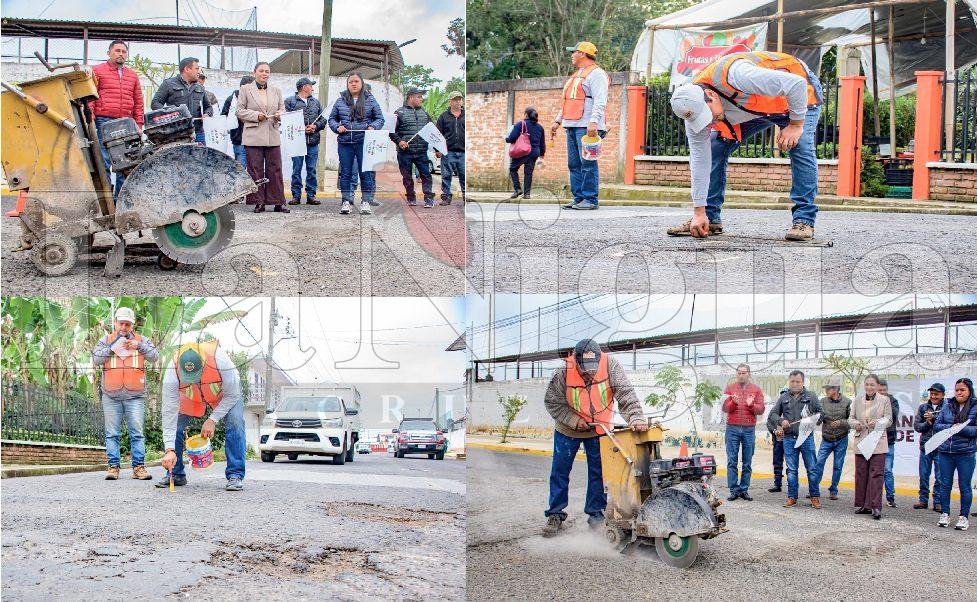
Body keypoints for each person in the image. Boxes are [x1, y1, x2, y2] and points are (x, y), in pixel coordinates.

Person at [667, 51, 823, 241]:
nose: (709, 124)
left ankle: (804, 220)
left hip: (796, 96)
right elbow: (700, 161)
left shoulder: (739, 75)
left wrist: (796, 125)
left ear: (710, 95)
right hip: (750, 110)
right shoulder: (692, 111)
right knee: (715, 146)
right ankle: (709, 217)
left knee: (800, 146)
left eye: (709, 117)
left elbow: (796, 84)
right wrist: (698, 211)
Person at [541, 339, 647, 537]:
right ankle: (555, 513)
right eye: (585, 367)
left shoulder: (611, 366)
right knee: (560, 471)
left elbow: (626, 394)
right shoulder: (562, 372)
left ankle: (595, 514)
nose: (589, 372)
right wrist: (573, 420)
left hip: (599, 428)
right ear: (576, 359)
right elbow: (552, 402)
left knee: (599, 473)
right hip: (568, 429)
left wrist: (636, 417)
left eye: (593, 367)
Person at [156, 339, 246, 491]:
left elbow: (232, 395)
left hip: (224, 395)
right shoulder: (172, 369)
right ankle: (176, 474)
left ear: (204, 364)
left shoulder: (220, 360)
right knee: (176, 426)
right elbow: (169, 411)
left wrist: (212, 419)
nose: (194, 380)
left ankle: (235, 474)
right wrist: (169, 449)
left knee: (235, 423)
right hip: (192, 396)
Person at [91, 307, 159, 481]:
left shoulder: (141, 340)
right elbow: (96, 359)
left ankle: (139, 468)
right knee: (112, 433)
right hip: (111, 395)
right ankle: (113, 468)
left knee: (137, 433)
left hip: (135, 395)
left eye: (127, 324)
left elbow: (154, 356)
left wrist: (140, 346)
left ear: (132, 325)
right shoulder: (106, 340)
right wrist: (111, 349)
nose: (124, 327)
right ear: (115, 323)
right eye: (121, 323)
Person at [550, 42, 609, 211]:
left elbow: (600, 100)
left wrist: (593, 122)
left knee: (588, 164)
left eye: (573, 52)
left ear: (582, 54)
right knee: (574, 164)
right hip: (572, 125)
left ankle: (590, 199)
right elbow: (568, 100)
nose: (571, 55)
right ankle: (578, 198)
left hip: (586, 126)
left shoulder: (597, 74)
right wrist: (558, 120)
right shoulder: (576, 75)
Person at [90, 40, 144, 200]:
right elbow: (90, 97)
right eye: (117, 51)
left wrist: (138, 124)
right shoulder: (97, 71)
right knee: (104, 161)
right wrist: (91, 118)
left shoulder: (132, 75)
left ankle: (119, 200)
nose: (121, 54)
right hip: (103, 122)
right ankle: (105, 201)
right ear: (109, 53)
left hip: (127, 123)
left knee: (126, 163)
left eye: (124, 51)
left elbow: (138, 101)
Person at [329, 73, 385, 214]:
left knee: (365, 173)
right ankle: (346, 202)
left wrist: (373, 126)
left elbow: (380, 118)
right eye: (350, 82)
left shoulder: (370, 99)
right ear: (347, 84)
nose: (353, 84)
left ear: (362, 83)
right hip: (345, 142)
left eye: (356, 81)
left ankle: (365, 202)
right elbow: (332, 119)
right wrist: (337, 127)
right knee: (346, 173)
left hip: (363, 142)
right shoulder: (340, 101)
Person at [766, 370, 823, 509]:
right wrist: (781, 420)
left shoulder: (811, 396)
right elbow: (772, 414)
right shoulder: (784, 397)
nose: (795, 384)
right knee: (791, 470)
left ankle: (814, 497)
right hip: (789, 439)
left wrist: (812, 419)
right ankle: (792, 497)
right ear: (789, 382)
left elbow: (821, 414)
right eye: (792, 381)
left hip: (806, 438)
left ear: (803, 382)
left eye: (798, 381)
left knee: (812, 469)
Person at [236, 62, 287, 213]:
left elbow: (282, 108)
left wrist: (279, 115)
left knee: (275, 168)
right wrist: (255, 116)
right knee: (255, 169)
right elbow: (239, 111)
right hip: (253, 134)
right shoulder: (245, 89)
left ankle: (278, 201)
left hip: (272, 134)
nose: (264, 73)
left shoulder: (276, 90)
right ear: (254, 73)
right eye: (261, 71)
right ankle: (259, 202)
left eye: (267, 71)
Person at [933, 378, 977, 530]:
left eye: (962, 390)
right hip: (945, 452)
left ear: (969, 391)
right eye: (957, 389)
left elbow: (975, 430)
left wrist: (961, 429)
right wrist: (952, 426)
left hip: (966, 453)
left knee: (964, 486)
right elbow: (937, 426)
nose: (959, 392)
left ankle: (963, 517)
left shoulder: (975, 406)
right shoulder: (948, 405)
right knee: (945, 485)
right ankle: (945, 514)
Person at [848, 374, 892, 520]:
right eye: (867, 384)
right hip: (861, 440)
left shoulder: (885, 400)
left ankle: (876, 506)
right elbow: (851, 419)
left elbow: (889, 420)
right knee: (861, 474)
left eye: (872, 384)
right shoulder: (857, 400)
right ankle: (863, 505)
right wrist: (856, 425)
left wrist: (878, 423)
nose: (869, 387)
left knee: (877, 474)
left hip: (878, 441)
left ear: (878, 386)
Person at [721, 363, 765, 501]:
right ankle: (734, 490)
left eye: (744, 373)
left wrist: (752, 404)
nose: (741, 375)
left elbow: (761, 410)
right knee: (732, 461)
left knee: (747, 461)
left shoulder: (756, 390)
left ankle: (744, 489)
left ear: (749, 374)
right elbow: (725, 408)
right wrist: (732, 402)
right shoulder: (730, 388)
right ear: (736, 374)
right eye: (739, 373)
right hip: (732, 428)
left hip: (748, 429)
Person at [390, 88, 436, 207]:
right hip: (405, 152)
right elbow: (391, 131)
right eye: (419, 97)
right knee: (407, 176)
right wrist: (399, 141)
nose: (422, 99)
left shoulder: (425, 113)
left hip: (421, 151)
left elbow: (432, 132)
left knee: (426, 175)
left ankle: (428, 199)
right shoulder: (399, 113)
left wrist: (437, 149)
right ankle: (411, 197)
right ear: (411, 97)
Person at [285, 77, 326, 207]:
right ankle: (296, 196)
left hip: (313, 142)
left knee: (311, 169)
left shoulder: (316, 102)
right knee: (296, 169)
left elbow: (323, 119)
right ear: (304, 87)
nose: (313, 88)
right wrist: (302, 129)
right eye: (310, 85)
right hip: (297, 142)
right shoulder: (290, 102)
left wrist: (315, 126)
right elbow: (285, 120)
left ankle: (311, 196)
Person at [151, 56, 211, 144]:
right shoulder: (168, 84)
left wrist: (207, 114)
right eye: (196, 68)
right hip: (176, 134)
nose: (199, 72)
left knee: (201, 157)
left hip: (198, 133)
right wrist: (171, 113)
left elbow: (208, 107)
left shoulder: (200, 87)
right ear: (187, 69)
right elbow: (155, 103)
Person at [813, 380, 851, 501]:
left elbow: (852, 421)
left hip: (842, 438)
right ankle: (814, 489)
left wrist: (841, 422)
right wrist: (818, 418)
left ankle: (833, 490)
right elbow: (818, 421)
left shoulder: (847, 402)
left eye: (828, 388)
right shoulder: (822, 402)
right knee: (818, 463)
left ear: (835, 389)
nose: (826, 391)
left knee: (838, 466)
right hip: (827, 439)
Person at [913, 383, 946, 512]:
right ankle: (923, 500)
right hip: (926, 447)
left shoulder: (947, 407)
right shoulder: (923, 408)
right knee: (924, 475)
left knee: (940, 476)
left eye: (936, 394)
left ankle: (937, 501)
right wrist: (928, 422)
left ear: (943, 395)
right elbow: (917, 427)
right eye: (932, 394)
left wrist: (934, 418)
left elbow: (948, 424)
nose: (933, 396)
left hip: (940, 446)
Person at [506, 107, 546, 200]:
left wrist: (507, 139)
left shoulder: (521, 124)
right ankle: (527, 194)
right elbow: (542, 143)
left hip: (522, 151)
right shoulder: (540, 127)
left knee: (513, 169)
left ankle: (517, 189)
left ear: (526, 114)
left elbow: (512, 138)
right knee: (528, 173)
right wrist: (542, 155)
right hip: (534, 153)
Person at [436, 91, 466, 206]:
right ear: (450, 102)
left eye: (459, 99)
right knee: (446, 176)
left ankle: (466, 197)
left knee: (464, 176)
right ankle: (446, 198)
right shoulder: (443, 116)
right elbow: (437, 134)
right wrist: (437, 150)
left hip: (464, 152)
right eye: (455, 99)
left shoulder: (466, 116)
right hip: (448, 152)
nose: (457, 101)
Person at [221, 75, 255, 169]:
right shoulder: (231, 99)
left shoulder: (255, 99)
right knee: (241, 166)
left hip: (253, 138)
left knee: (253, 167)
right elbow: (223, 116)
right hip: (238, 137)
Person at [877, 379, 901, 508]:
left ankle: (890, 497)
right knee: (875, 471)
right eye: (880, 391)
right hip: (874, 441)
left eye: (884, 390)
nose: (882, 393)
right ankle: (874, 497)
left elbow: (892, 416)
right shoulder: (871, 401)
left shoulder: (893, 401)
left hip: (889, 440)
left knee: (887, 470)